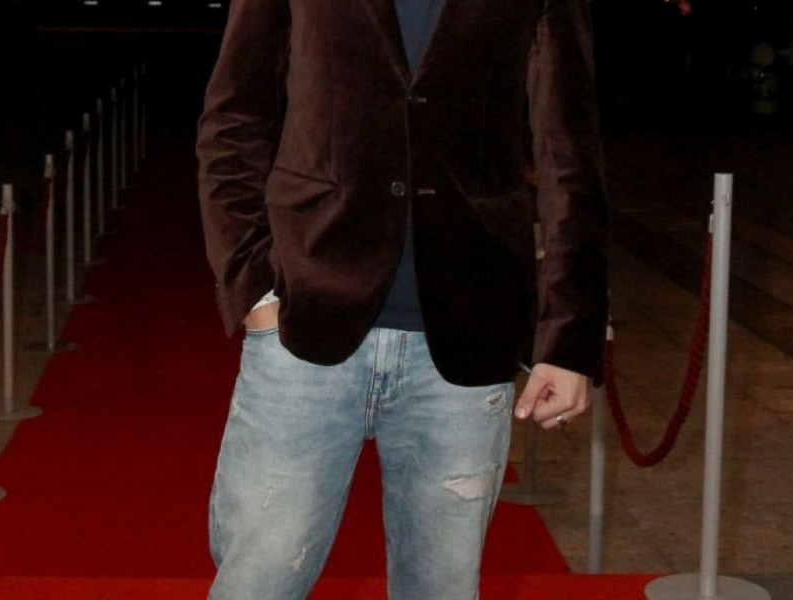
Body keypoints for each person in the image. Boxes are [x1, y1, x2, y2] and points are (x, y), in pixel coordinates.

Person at [195, 0, 608, 599]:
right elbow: (234, 119)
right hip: (304, 320)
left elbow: (569, 156)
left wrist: (570, 340)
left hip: (468, 331)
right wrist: (254, 288)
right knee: (256, 583)